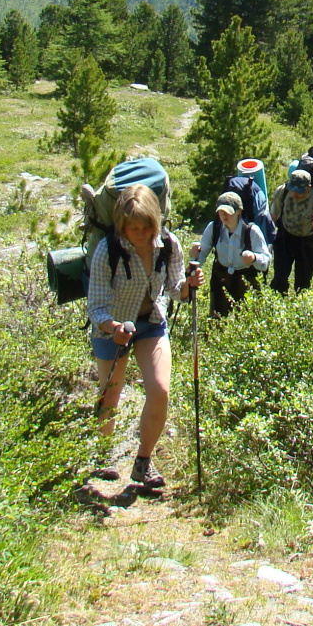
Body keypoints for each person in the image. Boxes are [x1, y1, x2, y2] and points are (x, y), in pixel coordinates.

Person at [85, 183, 201, 488]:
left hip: (151, 322)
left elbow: (176, 290)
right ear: (121, 225)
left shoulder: (169, 244)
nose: (138, 233)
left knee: (160, 390)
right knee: (110, 394)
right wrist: (114, 328)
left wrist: (190, 284)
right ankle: (102, 456)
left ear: (155, 221)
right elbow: (95, 306)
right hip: (111, 327)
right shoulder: (107, 250)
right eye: (131, 227)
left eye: (145, 226)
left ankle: (142, 463)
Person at [193, 190, 271, 317]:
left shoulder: (252, 231)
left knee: (247, 319)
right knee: (217, 319)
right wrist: (194, 260)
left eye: (228, 212)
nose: (224, 215)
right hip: (221, 279)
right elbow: (202, 254)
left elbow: (266, 261)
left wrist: (254, 258)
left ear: (239, 211)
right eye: (221, 212)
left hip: (246, 280)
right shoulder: (214, 228)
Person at [269, 168, 313, 294]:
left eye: (299, 192)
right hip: (284, 238)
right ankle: (276, 305)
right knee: (279, 279)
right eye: (293, 190)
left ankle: (299, 309)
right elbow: (273, 216)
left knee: (303, 285)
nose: (294, 194)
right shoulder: (283, 191)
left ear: (308, 187)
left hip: (306, 243)